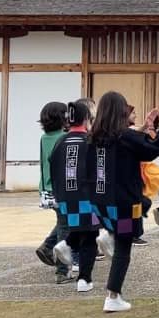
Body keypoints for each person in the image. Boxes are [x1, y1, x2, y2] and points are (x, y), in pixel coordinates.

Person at [89, 92, 159, 313]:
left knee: (120, 236)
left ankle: (106, 233)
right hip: (125, 202)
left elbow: (132, 141)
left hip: (100, 201)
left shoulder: (94, 138)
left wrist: (145, 127)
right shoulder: (124, 137)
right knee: (124, 248)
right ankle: (113, 295)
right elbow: (155, 148)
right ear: (121, 112)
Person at [48, 100, 99, 293]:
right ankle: (84, 279)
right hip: (88, 197)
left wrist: (58, 195)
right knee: (90, 236)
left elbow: (53, 169)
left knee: (82, 229)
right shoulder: (90, 140)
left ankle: (66, 243)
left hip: (65, 198)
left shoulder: (60, 142)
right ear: (86, 119)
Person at [36, 101, 74, 283]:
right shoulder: (65, 137)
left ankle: (47, 246)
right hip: (62, 189)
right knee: (66, 227)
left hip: (47, 188)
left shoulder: (44, 138)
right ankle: (62, 269)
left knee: (63, 222)